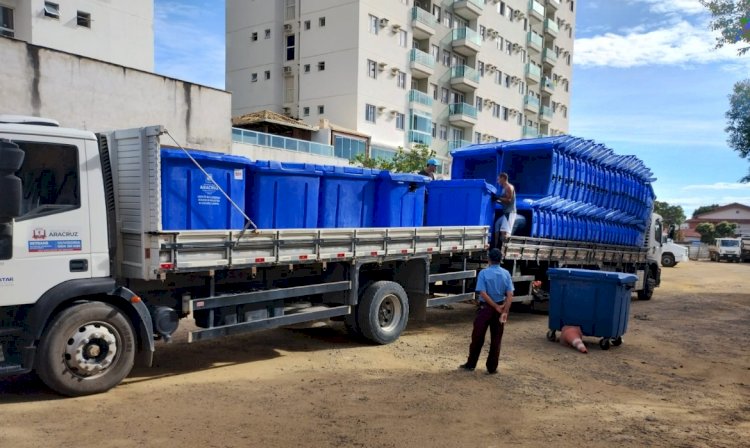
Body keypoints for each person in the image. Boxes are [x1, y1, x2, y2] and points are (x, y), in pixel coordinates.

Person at [460, 248, 514, 375]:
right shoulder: (506, 274)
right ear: (501, 260)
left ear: (489, 259)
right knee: (496, 339)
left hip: (486, 308)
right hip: (500, 308)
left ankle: (471, 364)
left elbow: (483, 293)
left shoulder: (484, 273)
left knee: (477, 337)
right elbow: (510, 295)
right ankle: (492, 367)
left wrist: (494, 306)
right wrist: (504, 310)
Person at [494, 172, 516, 242]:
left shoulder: (509, 187)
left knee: (505, 234)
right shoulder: (504, 189)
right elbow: (504, 202)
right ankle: (497, 247)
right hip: (506, 212)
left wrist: (498, 198)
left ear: (503, 178)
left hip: (510, 212)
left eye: (499, 179)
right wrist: (496, 200)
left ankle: (507, 249)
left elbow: (509, 200)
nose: (498, 181)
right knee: (501, 231)